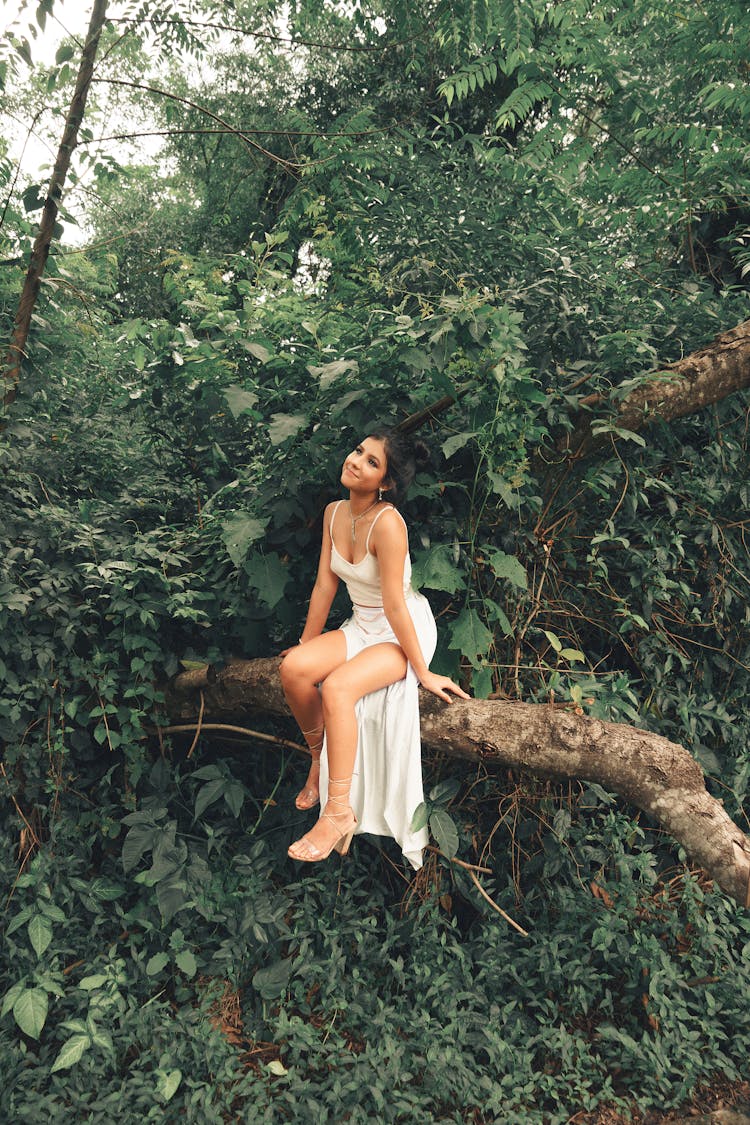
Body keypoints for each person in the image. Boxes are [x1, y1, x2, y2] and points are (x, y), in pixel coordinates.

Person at [279, 427, 468, 867]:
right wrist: (307, 643)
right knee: (294, 671)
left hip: (400, 632)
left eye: (371, 462)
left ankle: (339, 810)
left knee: (339, 688)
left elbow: (396, 606)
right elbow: (326, 583)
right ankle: (318, 760)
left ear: (385, 483)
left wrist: (423, 671)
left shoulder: (388, 523)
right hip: (361, 625)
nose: (355, 461)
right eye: (358, 451)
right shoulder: (333, 513)